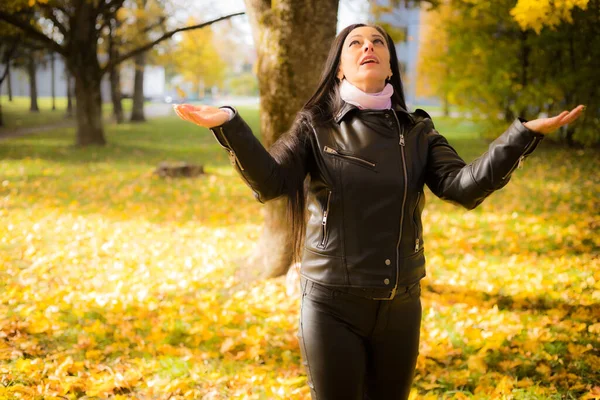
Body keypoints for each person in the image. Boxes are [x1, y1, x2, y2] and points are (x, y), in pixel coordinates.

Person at [173, 23, 584, 400]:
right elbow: (271, 182)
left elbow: (463, 187)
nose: (367, 46)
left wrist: (522, 136)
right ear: (339, 70)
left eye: (377, 43)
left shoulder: (418, 130)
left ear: (390, 66)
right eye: (355, 43)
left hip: (401, 305)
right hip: (331, 303)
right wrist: (229, 125)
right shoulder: (315, 126)